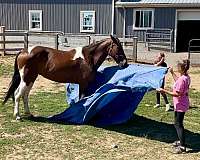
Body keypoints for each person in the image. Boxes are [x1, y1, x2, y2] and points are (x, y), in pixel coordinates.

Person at [157, 59, 191, 154]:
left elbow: (177, 94)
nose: (176, 68)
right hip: (182, 103)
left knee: (178, 124)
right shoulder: (186, 77)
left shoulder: (182, 79)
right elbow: (178, 82)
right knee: (178, 123)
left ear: (181, 68)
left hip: (180, 104)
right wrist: (172, 73)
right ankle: (181, 141)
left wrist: (164, 91)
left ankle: (182, 146)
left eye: (178, 67)